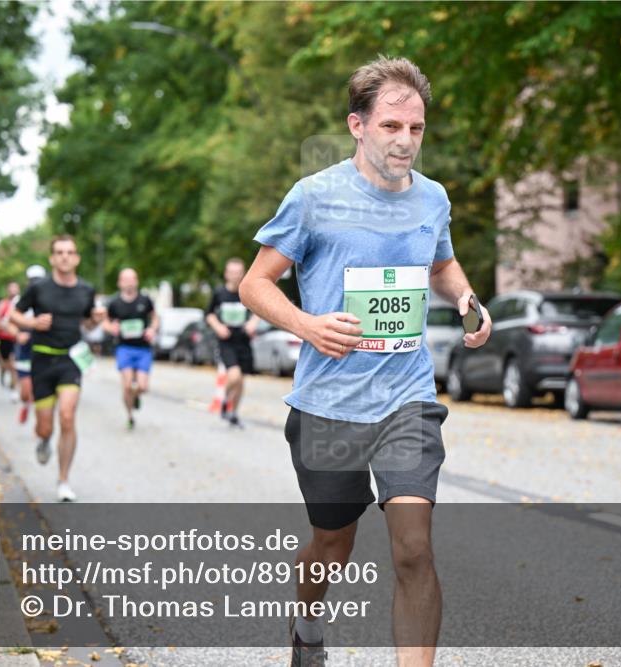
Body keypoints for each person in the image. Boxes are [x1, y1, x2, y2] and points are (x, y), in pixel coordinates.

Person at [239, 57, 492, 667]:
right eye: (391, 127)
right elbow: (255, 284)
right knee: (333, 539)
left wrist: (464, 295)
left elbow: (439, 263)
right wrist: (307, 324)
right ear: (357, 125)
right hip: (329, 404)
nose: (406, 141)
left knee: (413, 548)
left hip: (407, 397)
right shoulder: (314, 197)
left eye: (417, 129)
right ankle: (308, 627)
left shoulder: (433, 198)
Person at [11, 235, 106, 502]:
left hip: (70, 360)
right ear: (52, 258)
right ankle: (43, 439)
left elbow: (87, 325)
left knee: (67, 416)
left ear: (76, 258)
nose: (65, 256)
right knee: (45, 427)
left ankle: (63, 479)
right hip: (42, 360)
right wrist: (32, 324)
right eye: (60, 252)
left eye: (70, 252)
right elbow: (14, 315)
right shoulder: (39, 288)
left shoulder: (86, 290)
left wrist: (95, 321)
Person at [205, 258, 261, 428]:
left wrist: (253, 323)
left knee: (241, 381)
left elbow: (259, 310)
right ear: (226, 274)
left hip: (243, 341)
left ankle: (233, 412)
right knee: (234, 375)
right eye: (232, 272)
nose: (235, 276)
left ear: (243, 273)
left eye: (238, 273)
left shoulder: (247, 292)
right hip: (226, 341)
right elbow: (209, 314)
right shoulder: (219, 293)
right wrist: (218, 327)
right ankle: (224, 398)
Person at [104, 268, 158, 430]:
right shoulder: (114, 303)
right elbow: (105, 322)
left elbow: (155, 318)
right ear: (119, 283)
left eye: (132, 279)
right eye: (125, 279)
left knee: (143, 387)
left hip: (143, 349)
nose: (129, 282)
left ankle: (135, 397)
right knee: (127, 385)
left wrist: (152, 329)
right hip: (124, 348)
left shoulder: (145, 300)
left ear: (136, 281)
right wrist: (111, 328)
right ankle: (129, 415)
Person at [14, 265, 47, 424]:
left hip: (42, 350)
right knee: (26, 392)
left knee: (38, 392)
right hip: (25, 350)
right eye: (33, 280)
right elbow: (9, 321)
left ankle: (40, 424)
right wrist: (18, 334)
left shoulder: (50, 297)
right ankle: (25, 405)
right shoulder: (20, 300)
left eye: (39, 280)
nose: (36, 283)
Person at [0, 281, 21, 390]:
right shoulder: (3, 304)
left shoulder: (21, 302)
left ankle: (14, 385)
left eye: (15, 288)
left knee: (14, 363)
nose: (13, 291)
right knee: (6, 363)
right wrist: (5, 327)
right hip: (4, 338)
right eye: (11, 288)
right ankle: (3, 372)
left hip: (17, 339)